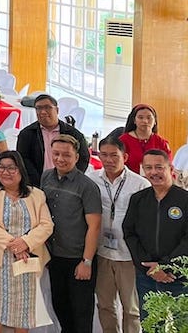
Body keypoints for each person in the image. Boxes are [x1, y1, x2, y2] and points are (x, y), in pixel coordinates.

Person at [0, 151, 54, 332]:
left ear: (20, 170)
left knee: (24, 306)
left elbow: (46, 225)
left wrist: (25, 243)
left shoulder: (37, 194)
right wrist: (15, 245)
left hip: (27, 258)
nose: (6, 172)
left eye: (11, 167)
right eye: (1, 167)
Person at [42, 134, 103, 333]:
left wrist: (86, 262)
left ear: (76, 157)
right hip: (55, 256)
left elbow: (94, 226)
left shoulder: (87, 186)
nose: (60, 158)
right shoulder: (46, 177)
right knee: (60, 306)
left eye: (66, 155)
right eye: (56, 154)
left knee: (81, 312)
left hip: (79, 258)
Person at [91, 136, 151, 333]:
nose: (108, 160)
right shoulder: (92, 180)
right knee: (105, 305)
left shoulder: (140, 184)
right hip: (101, 252)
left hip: (128, 256)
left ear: (124, 157)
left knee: (132, 309)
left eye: (114, 155)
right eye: (104, 155)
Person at [122, 149, 188, 322]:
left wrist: (166, 266)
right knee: (150, 322)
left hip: (178, 276)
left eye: (159, 167)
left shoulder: (184, 199)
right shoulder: (138, 199)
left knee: (180, 323)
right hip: (147, 276)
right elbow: (129, 233)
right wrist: (148, 268)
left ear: (170, 168)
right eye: (148, 167)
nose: (153, 172)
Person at [17, 94, 91, 187]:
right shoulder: (27, 134)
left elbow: (83, 159)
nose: (43, 112)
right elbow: (23, 160)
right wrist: (38, 182)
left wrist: (70, 179)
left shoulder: (73, 134)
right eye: (38, 108)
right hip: (36, 184)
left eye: (47, 107)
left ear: (57, 110)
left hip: (66, 184)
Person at [118, 103, 172, 174]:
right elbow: (117, 165)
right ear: (134, 120)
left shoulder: (162, 143)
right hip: (130, 181)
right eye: (140, 117)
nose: (145, 121)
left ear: (155, 121)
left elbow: (168, 167)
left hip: (156, 181)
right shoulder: (123, 140)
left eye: (149, 118)